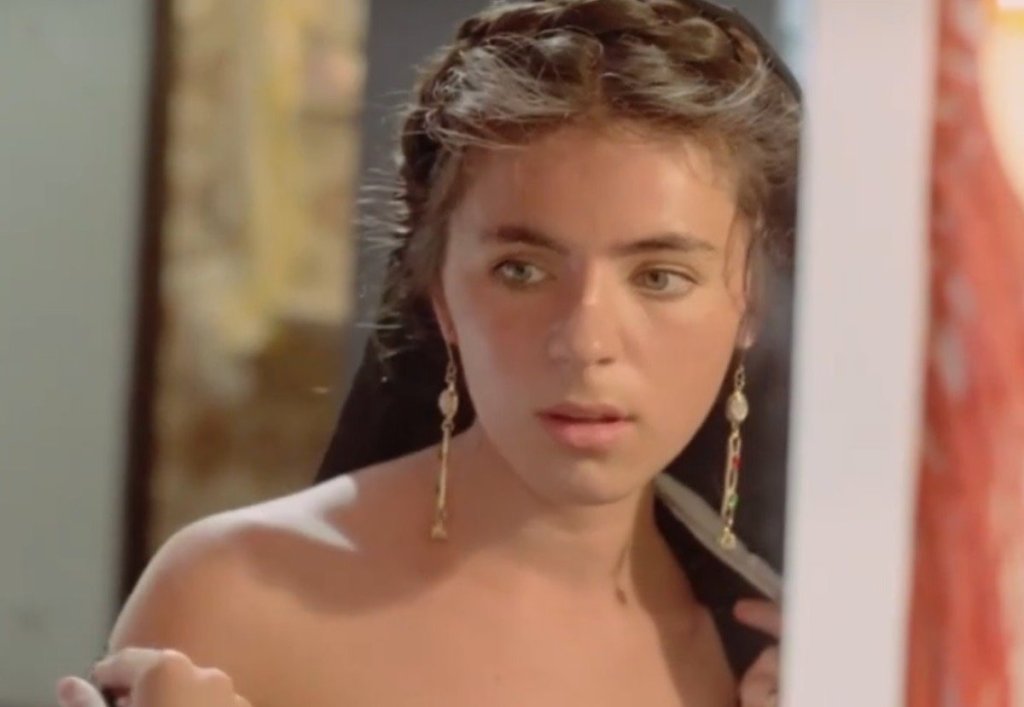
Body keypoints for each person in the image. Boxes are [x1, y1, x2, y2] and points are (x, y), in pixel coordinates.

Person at [58, 1, 801, 705]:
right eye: (522, 270)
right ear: (439, 290)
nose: (585, 342)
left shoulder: (771, 651)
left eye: (659, 277)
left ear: (751, 307)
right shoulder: (236, 601)